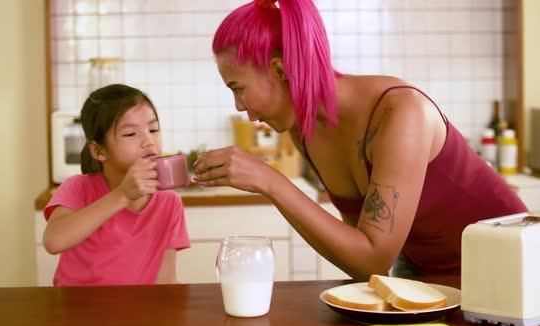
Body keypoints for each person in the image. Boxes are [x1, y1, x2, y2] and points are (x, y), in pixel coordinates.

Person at [193, 0, 527, 280]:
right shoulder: (304, 129)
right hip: (425, 273)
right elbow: (359, 259)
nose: (238, 105)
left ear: (281, 72)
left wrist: (272, 182)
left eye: (238, 88)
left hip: (510, 269)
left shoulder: (400, 112)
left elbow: (372, 259)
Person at [43, 84, 190, 286]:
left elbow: (166, 280)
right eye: (130, 134)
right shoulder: (79, 188)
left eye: (153, 129)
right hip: (75, 311)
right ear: (99, 150)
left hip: (136, 311)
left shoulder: (169, 201)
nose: (149, 141)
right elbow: (54, 241)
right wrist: (123, 195)